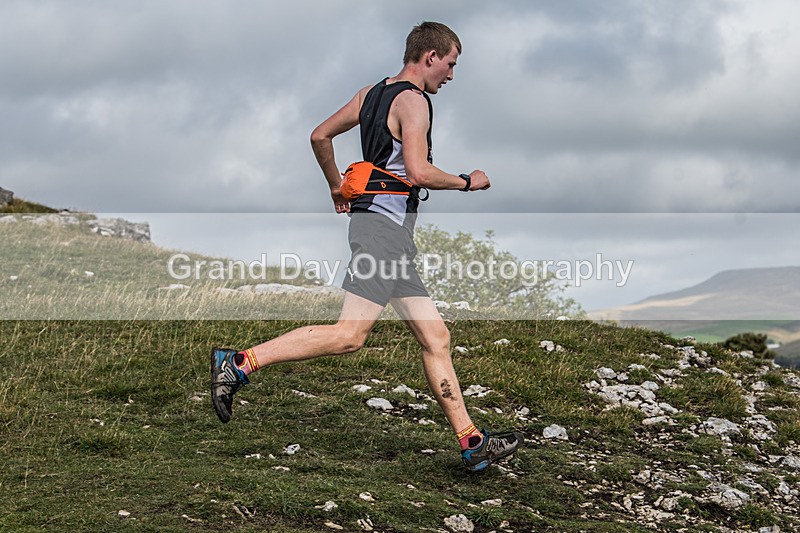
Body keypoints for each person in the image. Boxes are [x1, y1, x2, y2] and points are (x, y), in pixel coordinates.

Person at [211, 21, 522, 472]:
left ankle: (472, 442)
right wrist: (467, 182)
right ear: (430, 56)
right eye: (451, 65)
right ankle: (238, 363)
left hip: (381, 231)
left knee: (436, 337)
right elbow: (417, 172)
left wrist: (337, 187)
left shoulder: (370, 94)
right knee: (348, 336)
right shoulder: (415, 103)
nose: (451, 76)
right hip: (382, 232)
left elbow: (320, 135)